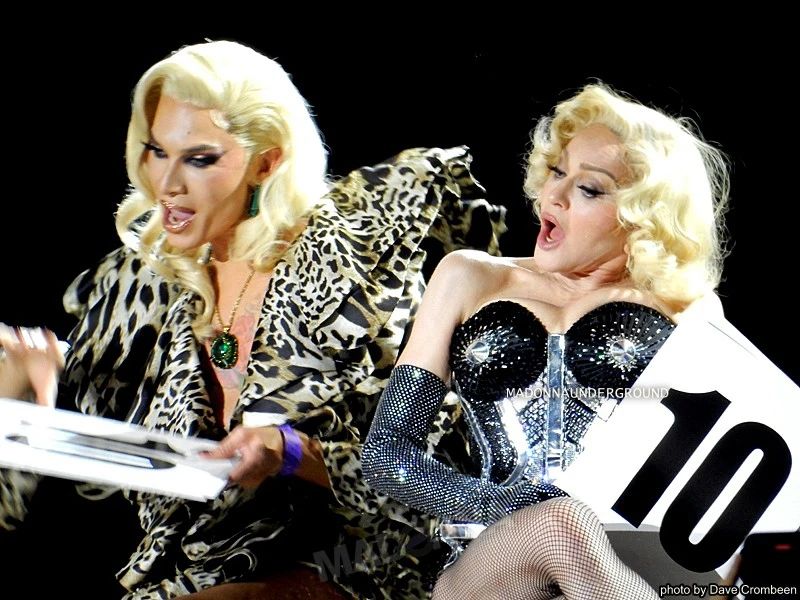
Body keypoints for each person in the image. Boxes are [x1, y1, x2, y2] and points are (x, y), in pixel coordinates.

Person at [0, 40, 504, 599]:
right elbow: (20, 509)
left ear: (267, 162)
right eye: (157, 151)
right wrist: (21, 402)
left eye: (199, 159)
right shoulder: (152, 288)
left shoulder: (351, 270)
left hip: (368, 562)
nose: (167, 184)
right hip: (203, 576)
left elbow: (444, 482)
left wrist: (295, 454)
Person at [363, 83, 728, 599]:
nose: (553, 196)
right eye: (558, 171)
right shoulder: (469, 276)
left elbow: (718, 496)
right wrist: (502, 506)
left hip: (624, 569)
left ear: (642, 215)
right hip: (489, 564)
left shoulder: (688, 311)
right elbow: (386, 453)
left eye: (590, 189)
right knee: (560, 525)